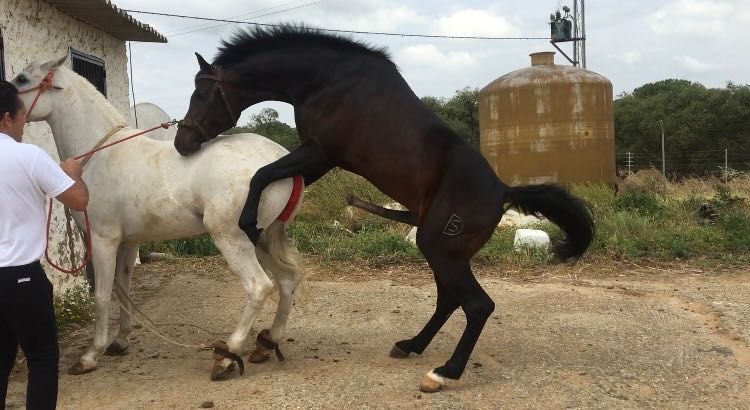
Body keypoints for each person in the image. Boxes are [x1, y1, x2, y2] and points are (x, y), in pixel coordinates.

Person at [0, 79, 88, 409]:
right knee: (42, 359)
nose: (24, 125)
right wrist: (71, 172)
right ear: (8, 117)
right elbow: (78, 201)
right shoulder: (29, 156)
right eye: (23, 117)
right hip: (22, 279)